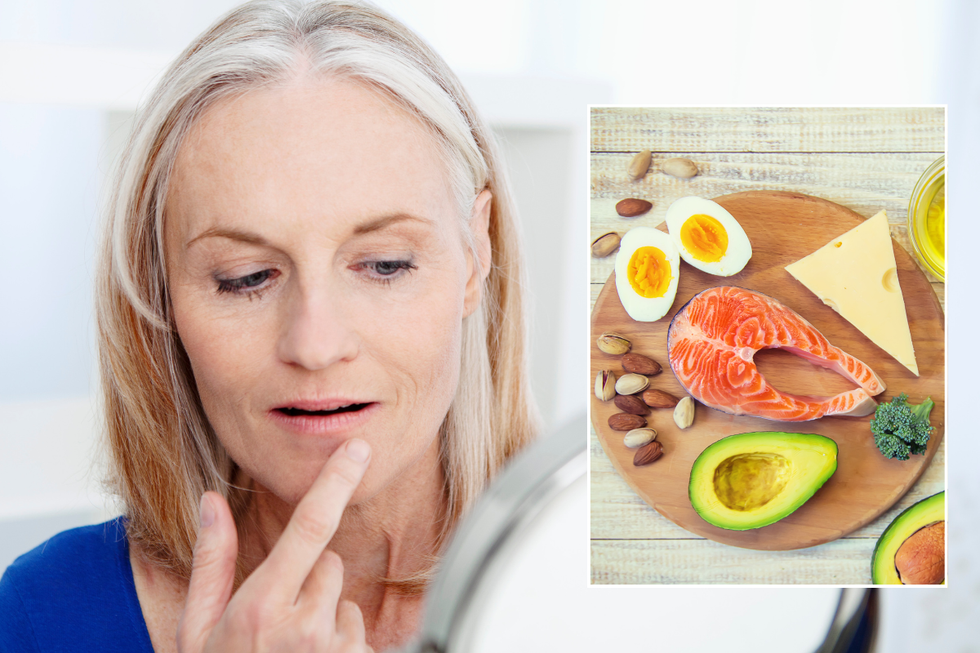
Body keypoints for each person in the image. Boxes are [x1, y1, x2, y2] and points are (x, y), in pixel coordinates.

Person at [0, 1, 538, 651]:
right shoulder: (40, 615)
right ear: (161, 292)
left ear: (476, 254)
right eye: (245, 277)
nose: (315, 344)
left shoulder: (619, 589)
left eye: (386, 264)